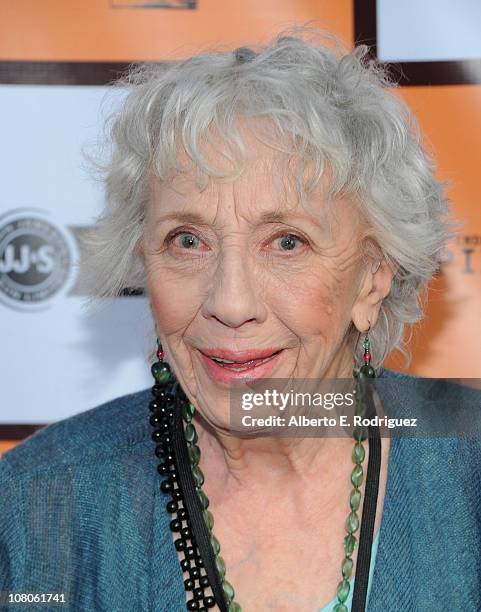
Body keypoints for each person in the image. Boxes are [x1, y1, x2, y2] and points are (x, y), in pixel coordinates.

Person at [1, 26, 480, 612]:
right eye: (186, 240)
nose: (230, 303)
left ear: (372, 277)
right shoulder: (38, 505)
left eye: (286, 242)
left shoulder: (469, 467)